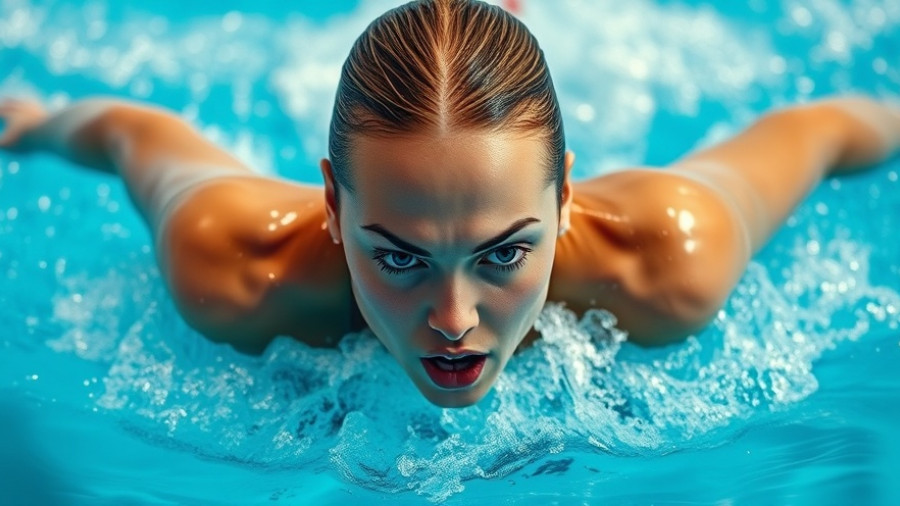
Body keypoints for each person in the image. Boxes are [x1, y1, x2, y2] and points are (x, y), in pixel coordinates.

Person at [0, 0, 898, 408]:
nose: (453, 319)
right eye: (397, 256)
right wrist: (33, 123)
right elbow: (127, 133)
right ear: (329, 202)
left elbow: (818, 131)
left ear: (567, 193)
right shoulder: (233, 263)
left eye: (506, 252)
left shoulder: (666, 257)